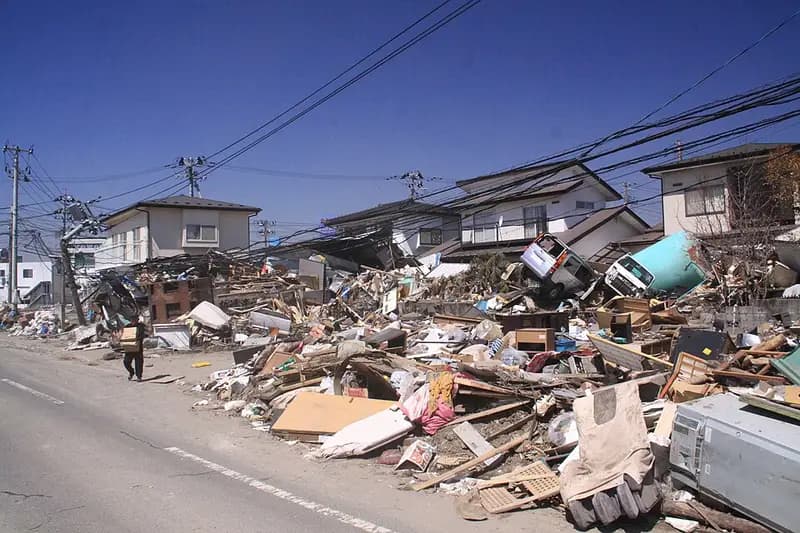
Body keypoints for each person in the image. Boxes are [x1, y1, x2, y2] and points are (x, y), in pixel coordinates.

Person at [123, 316, 146, 382]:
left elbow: (142, 335)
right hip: (129, 347)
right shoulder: (127, 326)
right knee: (126, 362)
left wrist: (136, 339)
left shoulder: (141, 326)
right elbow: (124, 335)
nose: (133, 321)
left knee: (139, 363)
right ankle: (131, 372)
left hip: (138, 347)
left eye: (135, 320)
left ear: (137, 320)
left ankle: (139, 376)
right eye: (132, 320)